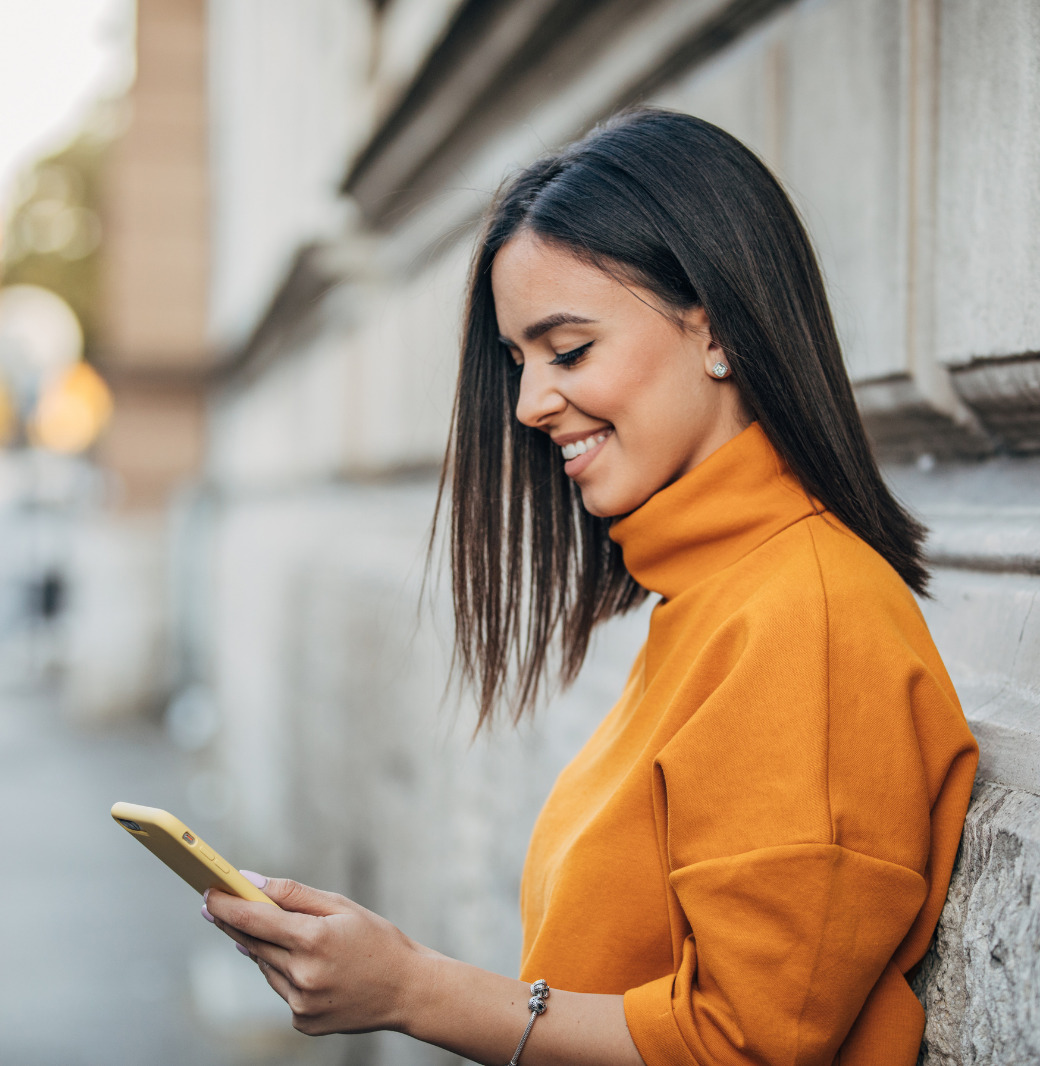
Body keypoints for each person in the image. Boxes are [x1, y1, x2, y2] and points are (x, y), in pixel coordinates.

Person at [203, 108, 979, 1066]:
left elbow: (745, 1046)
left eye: (568, 351)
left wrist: (413, 989)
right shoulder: (711, 599)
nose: (530, 404)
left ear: (718, 329)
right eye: (518, 361)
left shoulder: (803, 619)